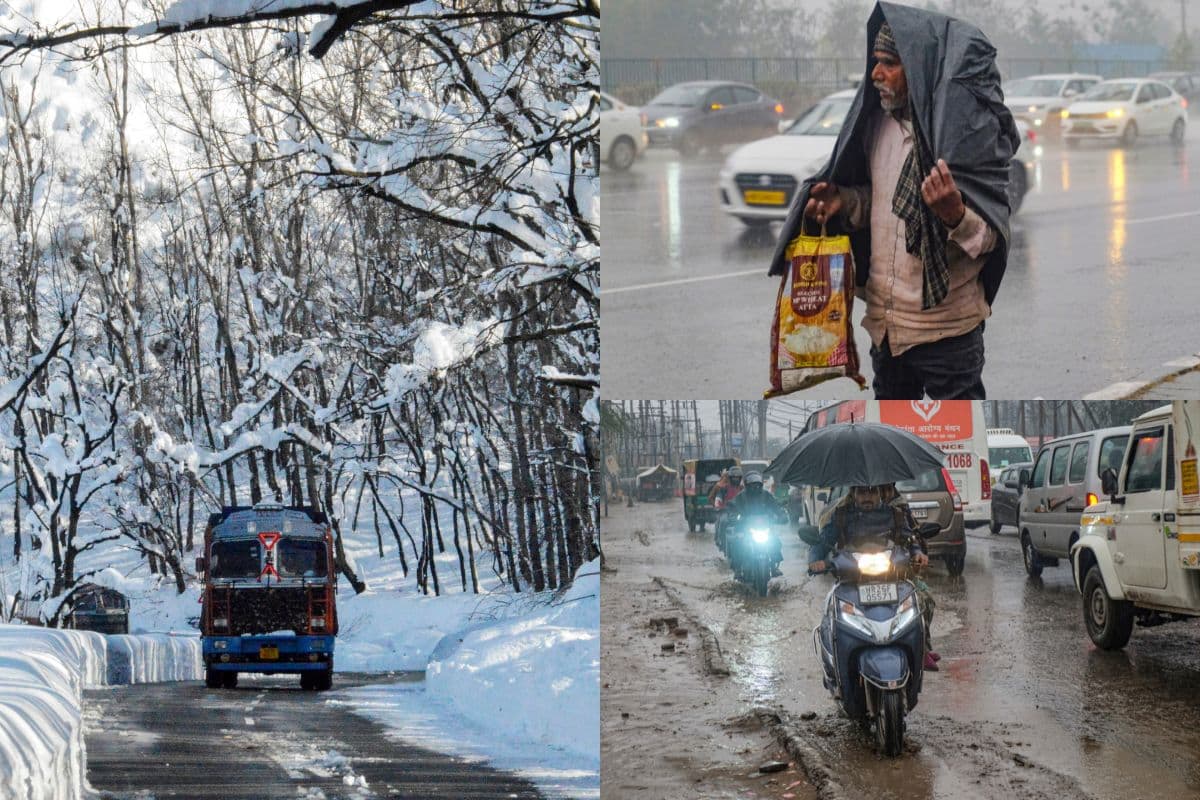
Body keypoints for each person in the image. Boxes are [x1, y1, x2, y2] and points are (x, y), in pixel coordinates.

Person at [769, 7, 1018, 400]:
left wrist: (954, 214)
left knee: (958, 443)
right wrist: (845, 201)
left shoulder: (964, 139)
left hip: (947, 331)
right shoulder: (874, 127)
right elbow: (880, 202)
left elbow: (990, 238)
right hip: (886, 330)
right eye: (874, 62)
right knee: (894, 437)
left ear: (917, 70)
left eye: (888, 63)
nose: (875, 74)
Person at [808, 484, 941, 671]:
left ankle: (920, 650)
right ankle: (834, 663)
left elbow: (910, 539)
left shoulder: (895, 514)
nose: (867, 497)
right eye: (862, 492)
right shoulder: (841, 515)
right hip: (851, 580)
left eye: (872, 491)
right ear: (853, 494)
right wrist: (816, 560)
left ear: (880, 493)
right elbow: (822, 542)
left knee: (924, 600)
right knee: (831, 610)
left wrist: (918, 553)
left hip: (893, 577)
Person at [724, 471, 788, 575]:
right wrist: (733, 518)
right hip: (745, 528)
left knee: (774, 541)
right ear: (747, 485)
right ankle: (738, 568)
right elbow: (732, 507)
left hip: (764, 528)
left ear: (761, 484)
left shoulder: (766, 495)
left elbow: (776, 506)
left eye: (757, 485)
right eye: (752, 485)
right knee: (738, 543)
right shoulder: (741, 497)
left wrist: (782, 516)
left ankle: (774, 565)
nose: (755, 487)